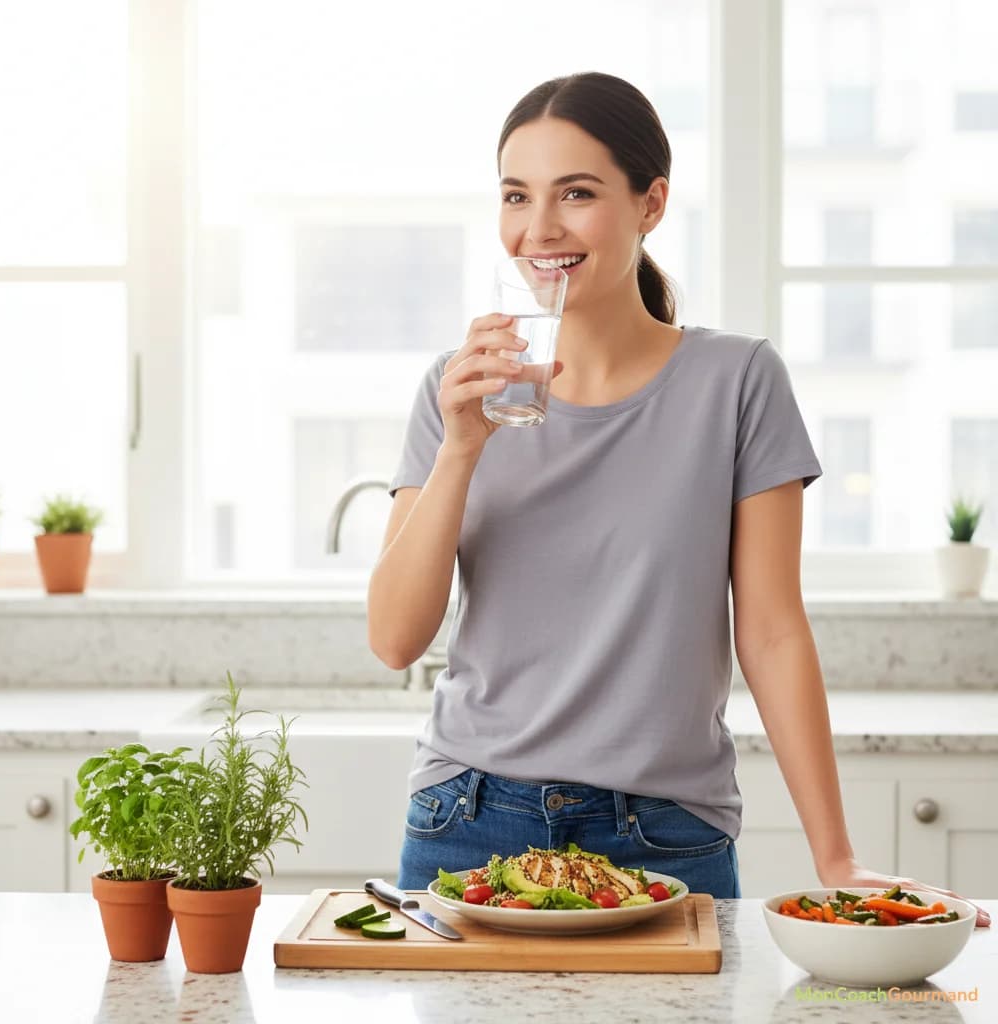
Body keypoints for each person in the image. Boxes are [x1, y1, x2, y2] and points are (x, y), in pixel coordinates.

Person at [368, 72, 990, 924]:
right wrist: (462, 449)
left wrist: (836, 857)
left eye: (576, 193)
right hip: (468, 822)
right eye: (517, 196)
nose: (539, 229)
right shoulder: (458, 389)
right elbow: (396, 639)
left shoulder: (735, 382)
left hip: (664, 836)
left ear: (650, 203)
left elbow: (771, 631)